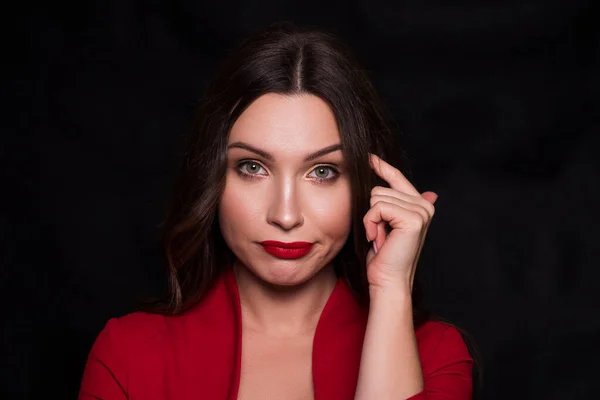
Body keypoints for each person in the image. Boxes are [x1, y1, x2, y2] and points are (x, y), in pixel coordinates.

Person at [79, 21, 474, 399]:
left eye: (323, 171)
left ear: (366, 188)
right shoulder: (129, 353)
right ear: (212, 179)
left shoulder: (435, 357)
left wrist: (390, 288)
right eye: (252, 168)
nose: (285, 216)